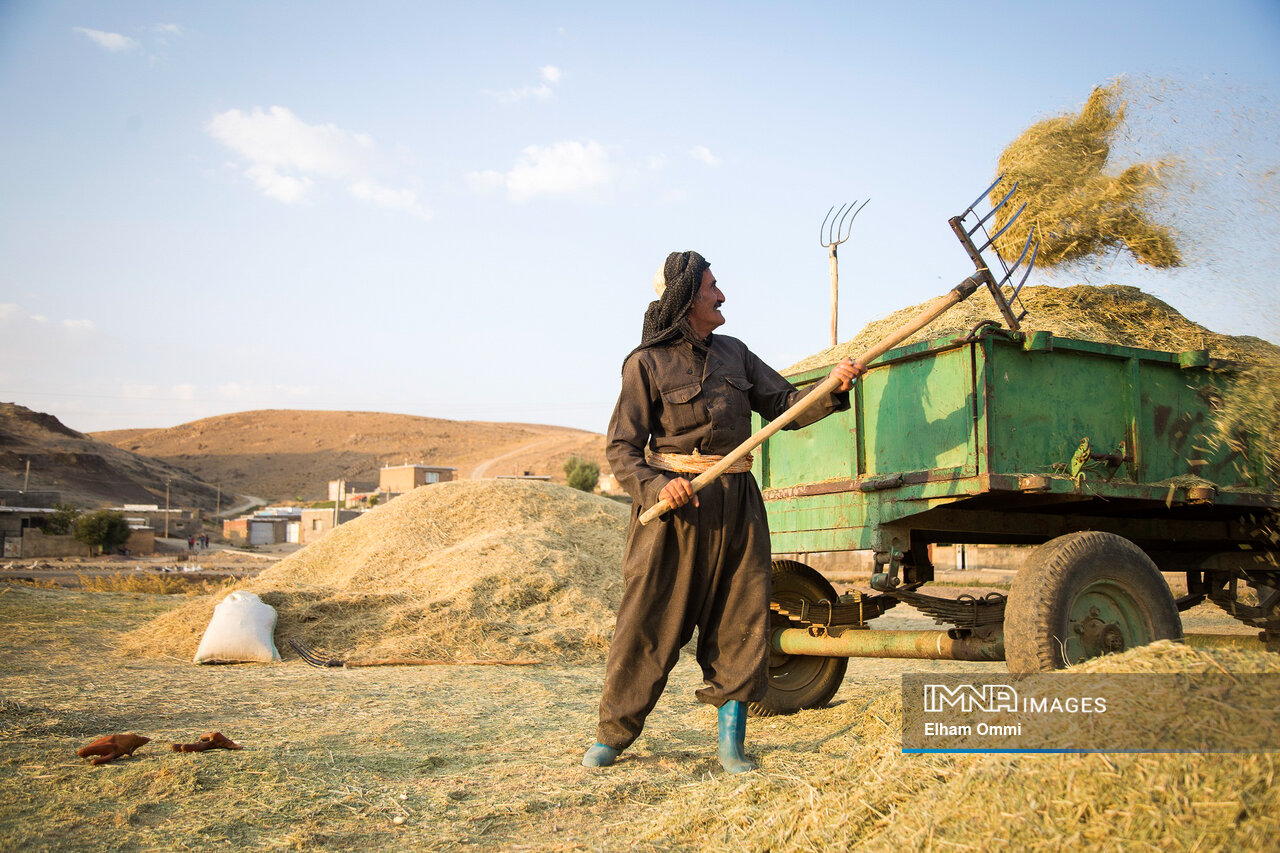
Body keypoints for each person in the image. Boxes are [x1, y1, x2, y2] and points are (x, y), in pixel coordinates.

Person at [583, 250, 862, 773]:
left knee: (741, 617)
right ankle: (613, 735)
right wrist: (658, 486)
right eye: (713, 286)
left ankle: (731, 744)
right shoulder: (645, 363)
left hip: (738, 506)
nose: (722, 294)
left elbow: (787, 405)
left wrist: (832, 389)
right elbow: (622, 449)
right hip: (674, 515)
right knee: (649, 622)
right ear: (688, 299)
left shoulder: (735, 354)